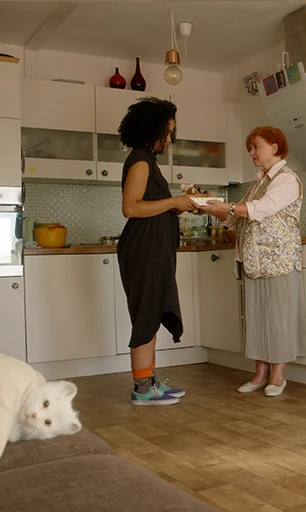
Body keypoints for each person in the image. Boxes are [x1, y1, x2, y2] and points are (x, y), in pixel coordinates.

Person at [198, 126, 306, 397]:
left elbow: (263, 209)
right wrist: (213, 207)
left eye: (256, 146)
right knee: (255, 316)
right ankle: (260, 373)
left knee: (278, 317)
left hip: (279, 259)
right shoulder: (259, 182)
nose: (251, 152)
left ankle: (278, 376)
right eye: (250, 147)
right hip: (254, 260)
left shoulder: (287, 180)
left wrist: (228, 207)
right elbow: (235, 217)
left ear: (274, 147)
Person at [117, 98, 197, 406]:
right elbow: (131, 207)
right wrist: (174, 202)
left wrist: (182, 205)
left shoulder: (148, 160)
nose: (170, 138)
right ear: (153, 129)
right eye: (168, 130)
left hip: (154, 249)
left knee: (151, 311)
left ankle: (147, 381)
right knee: (146, 315)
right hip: (145, 249)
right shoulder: (140, 160)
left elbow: (153, 207)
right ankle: (142, 389)